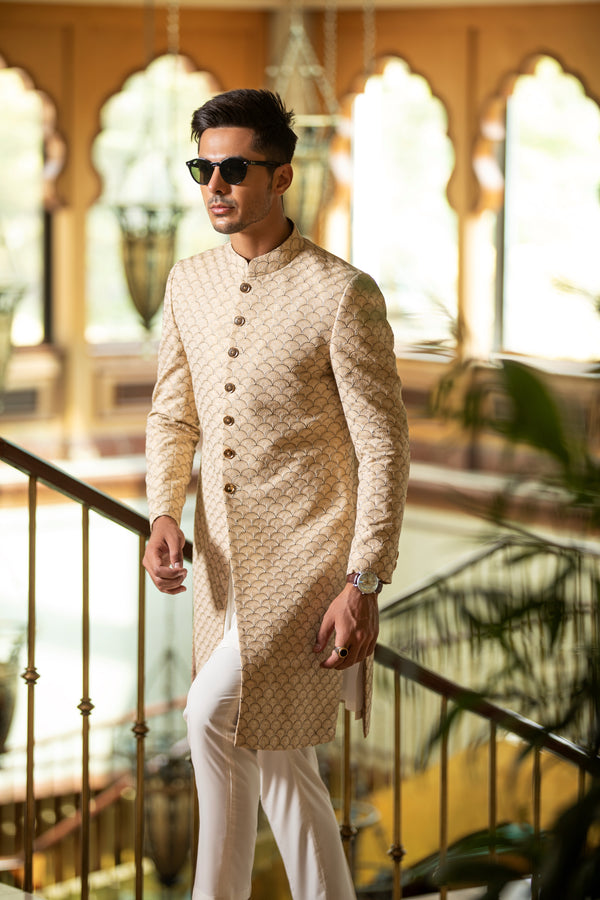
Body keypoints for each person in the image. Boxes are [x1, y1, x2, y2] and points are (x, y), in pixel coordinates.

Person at [143, 88, 410, 900]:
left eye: (233, 167)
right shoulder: (188, 283)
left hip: (310, 565)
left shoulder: (342, 293)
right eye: (203, 167)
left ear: (282, 176)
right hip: (223, 570)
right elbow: (171, 412)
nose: (215, 185)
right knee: (283, 760)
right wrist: (162, 511)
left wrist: (362, 580)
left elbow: (385, 447)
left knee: (208, 715)